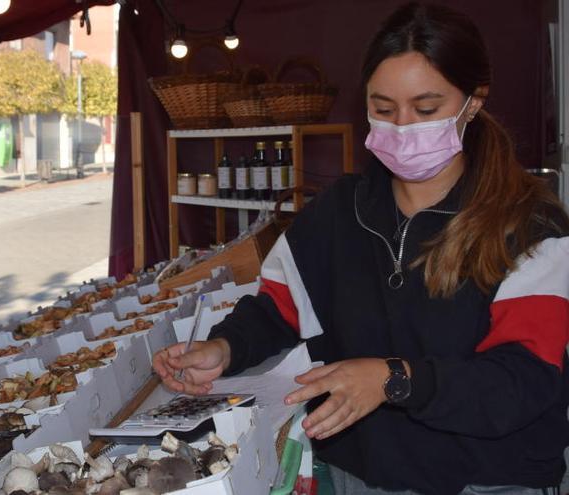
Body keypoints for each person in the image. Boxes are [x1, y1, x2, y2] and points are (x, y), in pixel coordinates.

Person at [152, 3, 569, 494]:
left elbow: (522, 381)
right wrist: (224, 348)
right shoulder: (338, 213)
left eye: (427, 109)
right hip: (361, 474)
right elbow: (280, 309)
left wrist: (396, 378)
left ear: (472, 103)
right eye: (384, 109)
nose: (403, 126)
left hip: (486, 480)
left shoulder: (529, 226)